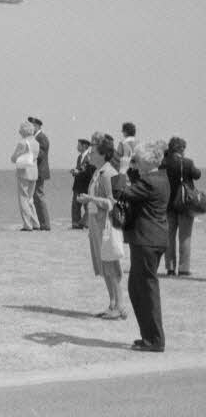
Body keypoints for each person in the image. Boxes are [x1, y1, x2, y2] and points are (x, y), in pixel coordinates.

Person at [115, 141, 170, 352]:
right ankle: (149, 336)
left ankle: (155, 340)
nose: (135, 164)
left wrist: (122, 170)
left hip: (147, 240)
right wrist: (130, 163)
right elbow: (137, 184)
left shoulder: (150, 182)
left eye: (138, 160)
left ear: (146, 162)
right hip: (153, 238)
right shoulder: (160, 178)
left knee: (146, 290)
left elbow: (120, 192)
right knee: (137, 288)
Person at [76, 133, 126, 319]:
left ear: (103, 154)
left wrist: (90, 198)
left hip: (105, 226)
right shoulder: (98, 172)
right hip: (96, 224)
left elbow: (112, 202)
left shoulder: (107, 173)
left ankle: (119, 306)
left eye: (93, 152)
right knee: (104, 266)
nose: (90, 155)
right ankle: (112, 304)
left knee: (111, 266)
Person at [160, 136, 201, 277]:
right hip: (185, 205)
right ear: (181, 148)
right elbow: (197, 174)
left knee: (169, 237)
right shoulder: (187, 163)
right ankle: (183, 269)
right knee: (185, 237)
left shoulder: (164, 163)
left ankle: (170, 268)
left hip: (168, 205)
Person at [11, 121, 41, 231]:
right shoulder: (36, 143)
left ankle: (27, 224)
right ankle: (36, 223)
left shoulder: (22, 143)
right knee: (30, 199)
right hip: (34, 172)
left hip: (24, 172)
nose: (19, 131)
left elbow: (14, 158)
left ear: (24, 131)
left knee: (23, 198)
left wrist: (15, 158)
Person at [28, 116, 52, 230]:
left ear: (36, 126)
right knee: (36, 196)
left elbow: (40, 154)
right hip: (36, 170)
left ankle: (45, 224)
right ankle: (39, 222)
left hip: (39, 171)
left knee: (38, 196)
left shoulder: (42, 138)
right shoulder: (37, 137)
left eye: (31, 125)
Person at [70, 138, 95, 230]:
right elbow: (80, 169)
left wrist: (78, 172)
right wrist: (75, 172)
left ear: (84, 146)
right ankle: (76, 223)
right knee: (75, 205)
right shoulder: (80, 157)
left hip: (85, 185)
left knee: (87, 205)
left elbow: (87, 171)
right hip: (78, 184)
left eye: (79, 145)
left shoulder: (89, 157)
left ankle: (86, 223)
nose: (77, 147)